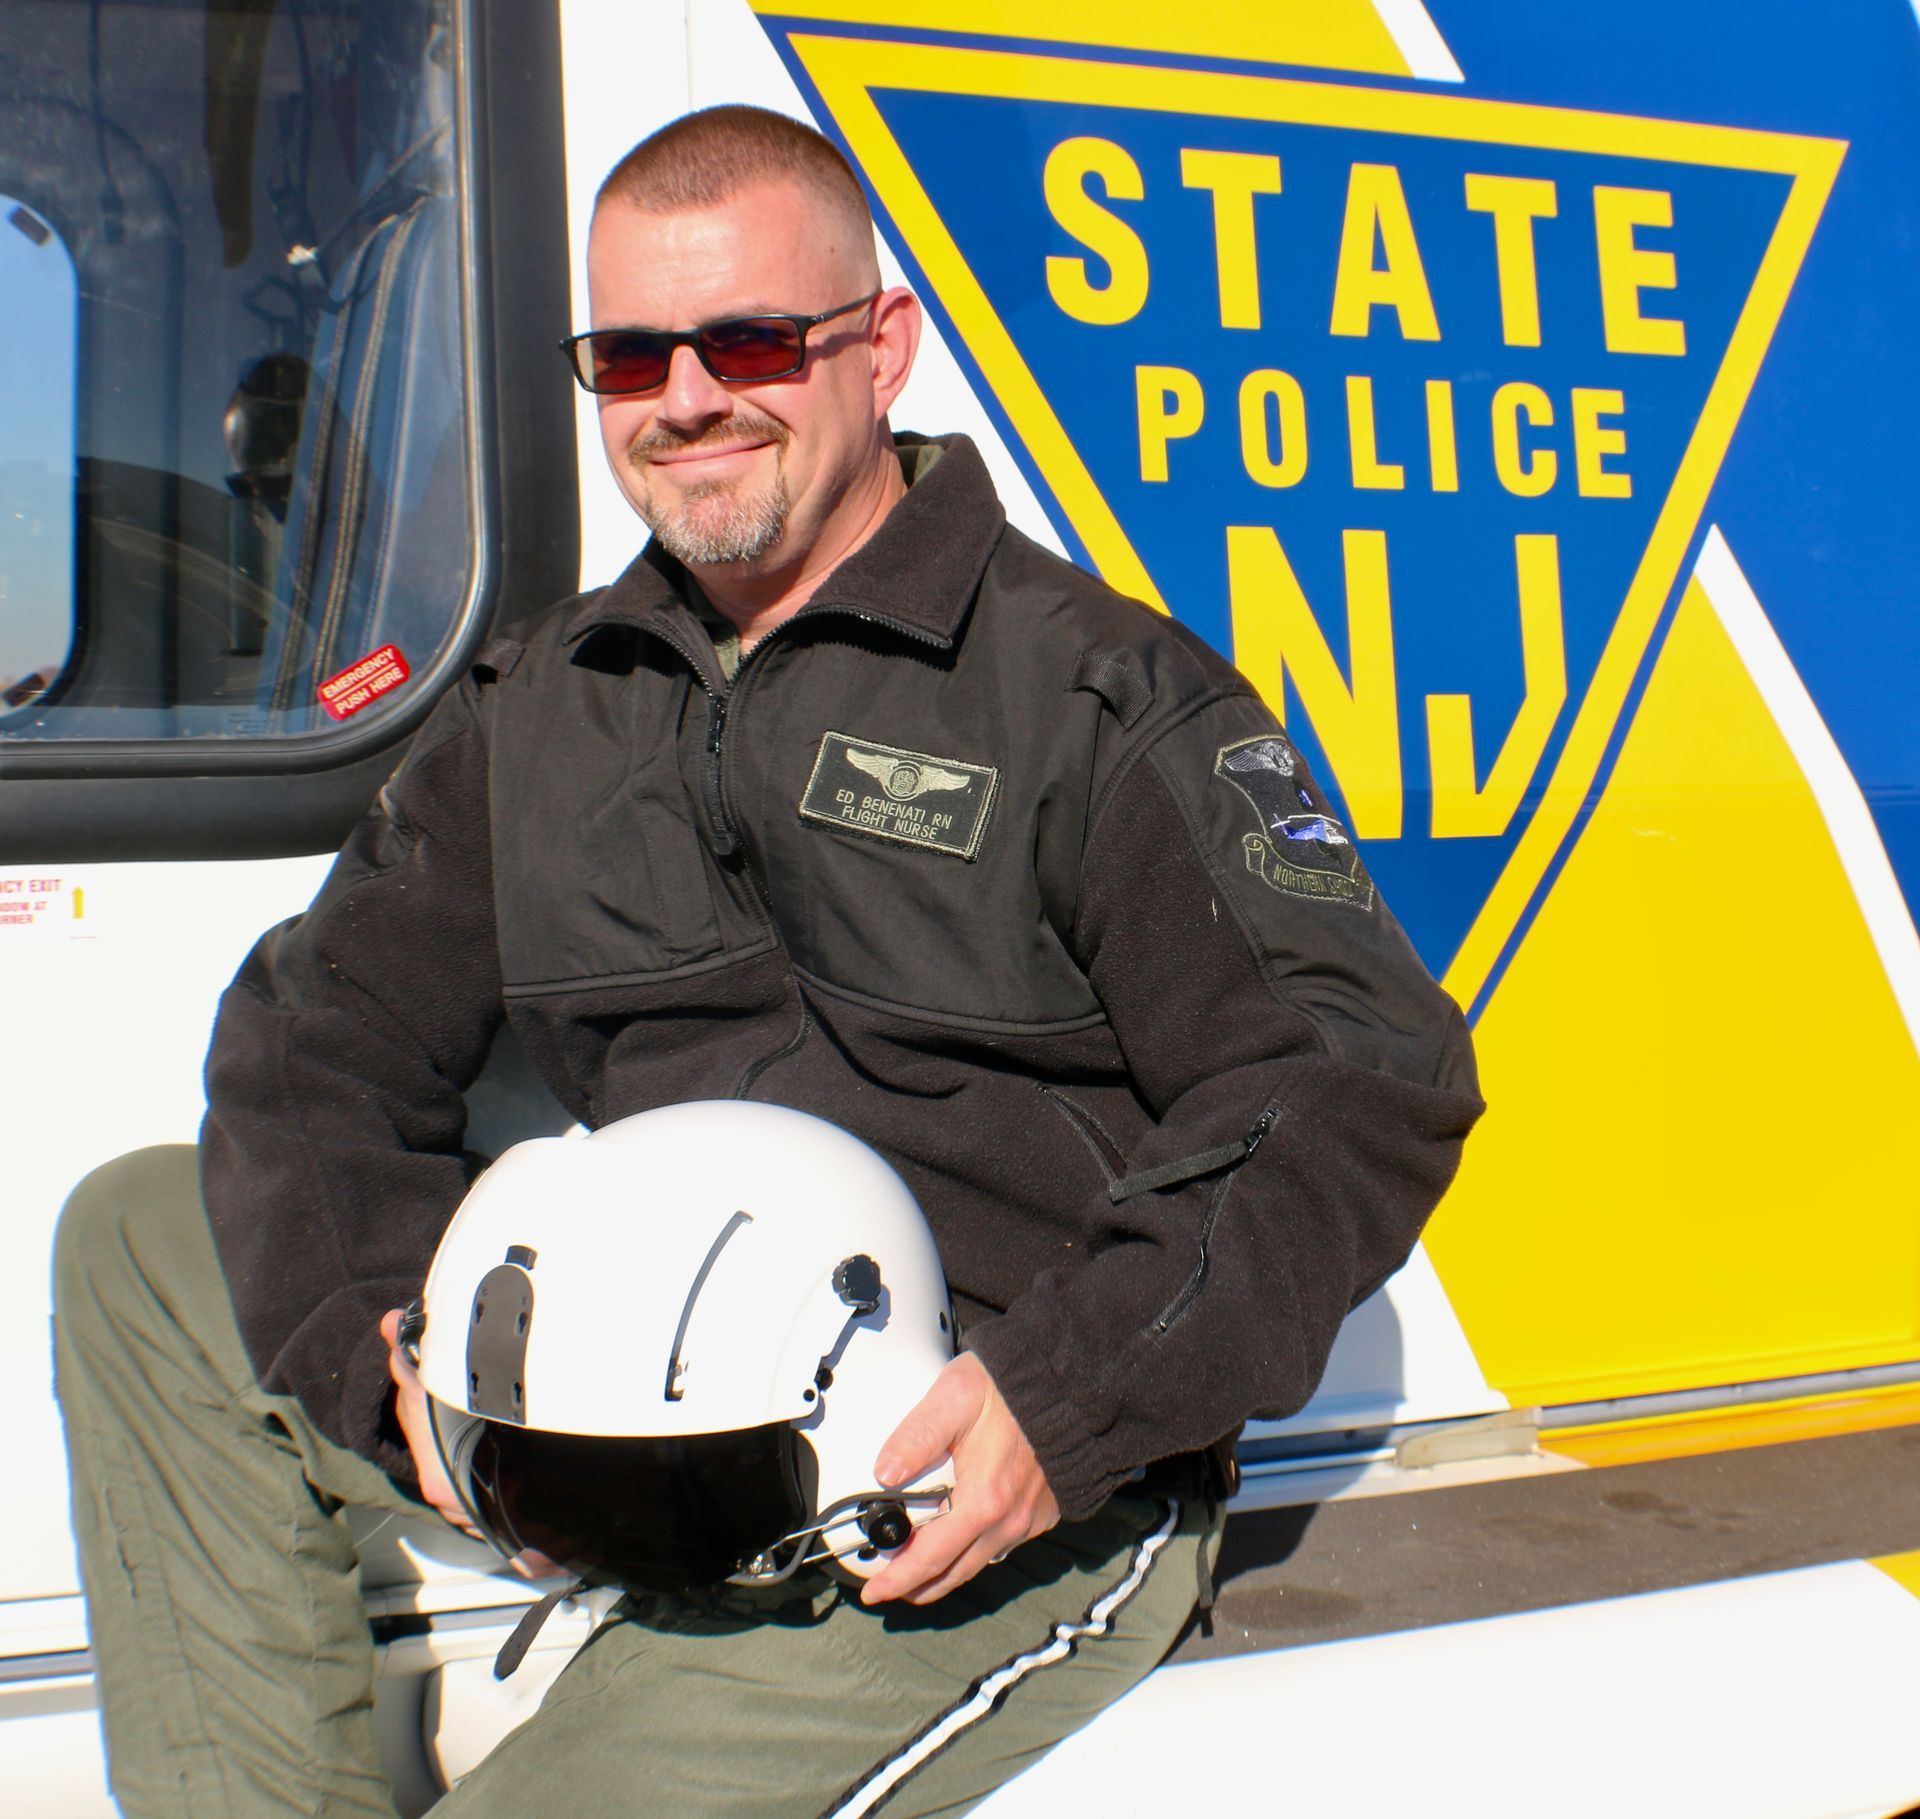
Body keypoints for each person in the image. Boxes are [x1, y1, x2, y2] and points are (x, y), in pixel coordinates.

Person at [53, 105, 1482, 1817]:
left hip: (946, 1486)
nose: (684, 399)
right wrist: (374, 1349)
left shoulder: (1094, 693)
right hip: (628, 1414)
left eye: (746, 341)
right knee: (145, 1232)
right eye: (628, 356)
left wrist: (1070, 1395)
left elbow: (1355, 1075)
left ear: (879, 349)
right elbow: (313, 1042)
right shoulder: (546, 705)